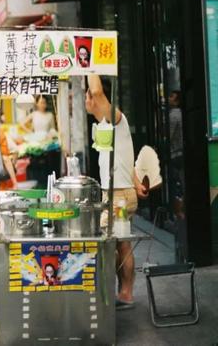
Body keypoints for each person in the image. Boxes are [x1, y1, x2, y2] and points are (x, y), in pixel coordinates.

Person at [86, 74, 148, 309]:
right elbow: (125, 159)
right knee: (119, 243)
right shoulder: (103, 124)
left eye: (86, 96)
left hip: (119, 198)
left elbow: (99, 92)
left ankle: (122, 293)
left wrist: (89, 62)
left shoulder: (116, 119)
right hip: (117, 195)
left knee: (113, 243)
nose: (85, 100)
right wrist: (136, 182)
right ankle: (122, 292)